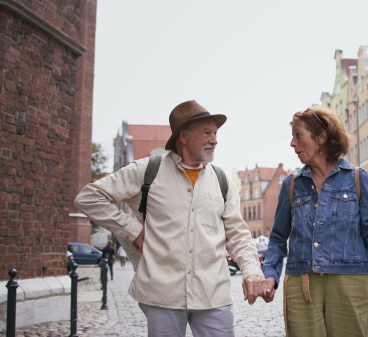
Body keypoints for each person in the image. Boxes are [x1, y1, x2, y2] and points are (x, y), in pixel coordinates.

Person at [75, 100, 266, 337]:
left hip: (213, 294)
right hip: (161, 293)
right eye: (206, 133)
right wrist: (133, 230)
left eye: (215, 133)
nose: (215, 140)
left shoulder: (221, 180)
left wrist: (252, 271)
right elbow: (88, 197)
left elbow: (237, 234)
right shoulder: (146, 171)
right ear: (183, 136)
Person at [261, 106, 368, 336]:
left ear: (321, 138)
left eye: (298, 135)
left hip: (349, 281)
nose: (292, 143)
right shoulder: (291, 185)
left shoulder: (359, 179)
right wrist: (270, 274)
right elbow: (279, 238)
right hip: (302, 283)